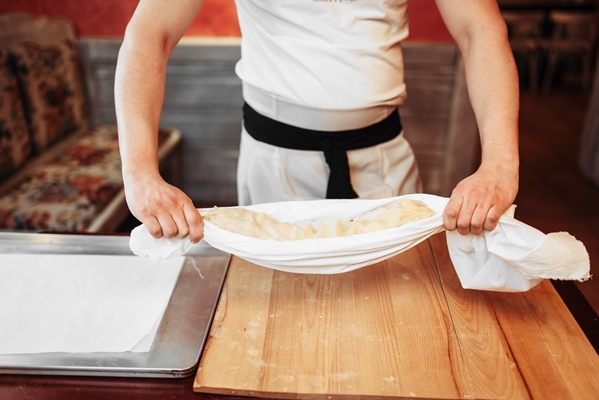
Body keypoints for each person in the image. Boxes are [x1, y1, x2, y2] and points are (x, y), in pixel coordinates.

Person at [115, 0, 519, 245]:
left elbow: (479, 29)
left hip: (383, 162)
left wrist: (500, 165)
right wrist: (140, 174)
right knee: (278, 316)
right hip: (274, 165)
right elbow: (151, 33)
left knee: (386, 308)